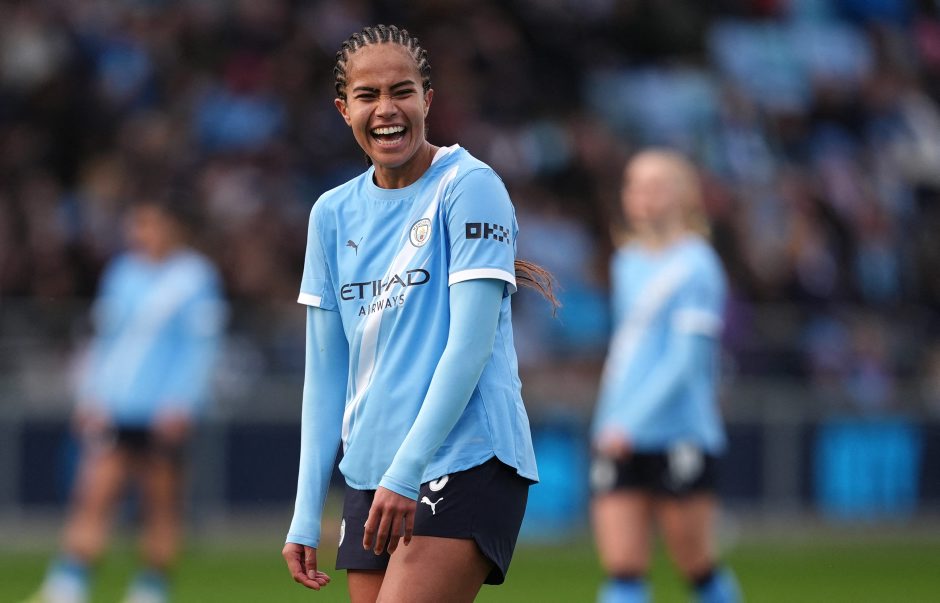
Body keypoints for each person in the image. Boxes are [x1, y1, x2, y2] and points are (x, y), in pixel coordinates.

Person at [281, 24, 557, 603]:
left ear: (427, 100)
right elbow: (325, 374)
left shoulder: (469, 186)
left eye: (401, 91)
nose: (386, 109)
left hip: (465, 455)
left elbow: (469, 346)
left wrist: (408, 472)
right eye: (367, 95)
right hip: (371, 470)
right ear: (344, 109)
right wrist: (306, 513)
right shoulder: (330, 213)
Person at [25, 196, 226, 603]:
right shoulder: (122, 273)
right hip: (117, 407)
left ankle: (151, 588)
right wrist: (91, 396)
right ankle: (68, 583)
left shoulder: (195, 277)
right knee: (93, 494)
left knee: (160, 504)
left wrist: (183, 402)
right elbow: (106, 340)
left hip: (163, 412)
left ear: (172, 227)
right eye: (136, 225)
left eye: (148, 224)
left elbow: (201, 347)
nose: (139, 234)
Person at [589, 150, 742, 603]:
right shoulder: (626, 261)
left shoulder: (697, 265)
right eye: (635, 185)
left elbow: (686, 361)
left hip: (679, 432)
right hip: (618, 431)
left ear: (684, 195)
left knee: (697, 566)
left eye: (656, 186)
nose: (643, 196)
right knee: (622, 568)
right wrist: (609, 419)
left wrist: (628, 423)